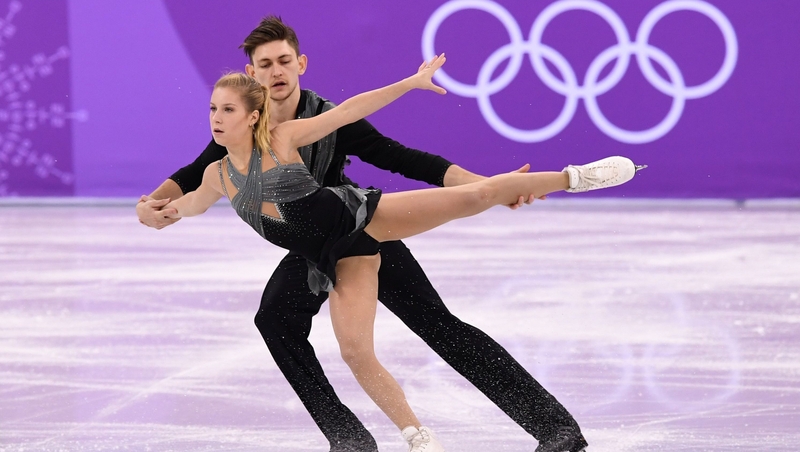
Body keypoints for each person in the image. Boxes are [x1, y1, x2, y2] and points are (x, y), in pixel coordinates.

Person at [137, 16, 595, 452]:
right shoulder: (238, 123)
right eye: (265, 64)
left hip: (359, 225)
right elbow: (195, 174)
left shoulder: (321, 118)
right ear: (251, 73)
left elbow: (405, 159)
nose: (275, 72)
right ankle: (348, 437)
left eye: (283, 61)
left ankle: (555, 428)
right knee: (275, 319)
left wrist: (487, 186)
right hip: (310, 246)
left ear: (300, 64)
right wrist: (152, 204)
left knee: (438, 324)